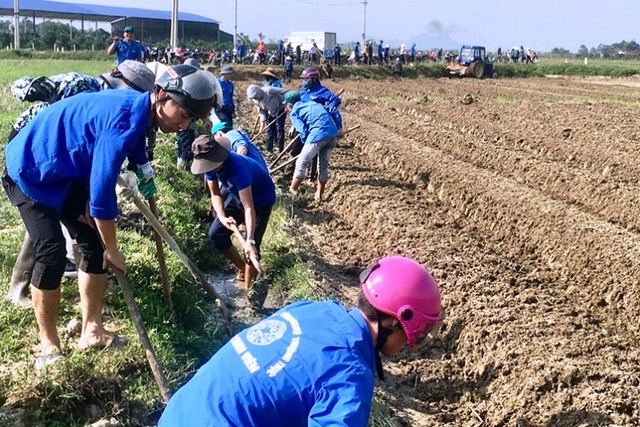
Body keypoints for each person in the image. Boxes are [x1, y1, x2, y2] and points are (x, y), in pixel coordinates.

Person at [2, 64, 217, 369]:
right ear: (161, 96)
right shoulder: (123, 120)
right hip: (31, 169)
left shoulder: (139, 109)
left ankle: (91, 331)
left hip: (66, 168)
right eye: (183, 115)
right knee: (50, 250)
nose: (184, 126)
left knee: (91, 244)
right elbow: (103, 199)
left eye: (191, 120)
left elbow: (135, 142)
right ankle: (49, 346)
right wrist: (114, 249)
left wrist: (143, 167)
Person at [158, 255, 443, 427]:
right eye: (412, 334)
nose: (409, 342)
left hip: (179, 412)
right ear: (395, 320)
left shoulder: (311, 309)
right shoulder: (350, 376)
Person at [6, 60, 157, 306]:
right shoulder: (82, 84)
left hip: (69, 159)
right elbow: (23, 88)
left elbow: (97, 156)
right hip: (36, 147)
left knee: (80, 222)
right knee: (43, 226)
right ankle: (21, 287)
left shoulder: (123, 110)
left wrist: (136, 172)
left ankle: (86, 273)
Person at [190, 135, 276, 291]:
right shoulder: (210, 167)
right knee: (216, 234)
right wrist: (222, 217)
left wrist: (249, 241)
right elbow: (215, 194)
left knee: (251, 251)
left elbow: (249, 207)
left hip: (260, 200)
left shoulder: (239, 168)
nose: (208, 168)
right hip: (236, 194)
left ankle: (249, 290)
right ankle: (242, 267)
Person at [284, 90, 338, 201]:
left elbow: (302, 131)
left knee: (301, 162)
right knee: (322, 165)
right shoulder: (314, 104)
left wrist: (306, 145)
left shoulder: (295, 111)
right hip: (332, 134)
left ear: (289, 104)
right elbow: (333, 110)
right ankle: (319, 194)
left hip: (318, 134)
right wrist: (339, 128)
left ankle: (292, 192)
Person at [246, 84, 286, 154]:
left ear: (258, 93)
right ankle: (269, 150)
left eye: (255, 96)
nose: (254, 98)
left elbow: (284, 92)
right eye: (253, 97)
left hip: (281, 108)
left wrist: (287, 103)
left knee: (280, 128)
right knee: (270, 129)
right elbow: (262, 111)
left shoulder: (269, 90)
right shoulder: (256, 100)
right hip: (271, 111)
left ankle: (281, 150)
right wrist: (262, 125)